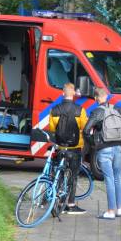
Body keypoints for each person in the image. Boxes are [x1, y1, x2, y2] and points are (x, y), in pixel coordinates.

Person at [84, 87, 121, 219]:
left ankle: (110, 211)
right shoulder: (118, 109)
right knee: (117, 177)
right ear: (106, 97)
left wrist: (94, 143)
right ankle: (119, 209)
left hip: (104, 149)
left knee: (108, 179)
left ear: (96, 98)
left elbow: (86, 130)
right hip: (118, 148)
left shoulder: (97, 111)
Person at [48, 83, 88, 214]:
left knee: (59, 174)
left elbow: (52, 129)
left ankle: (58, 201)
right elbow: (84, 127)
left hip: (61, 147)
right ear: (74, 94)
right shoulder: (80, 110)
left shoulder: (54, 110)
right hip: (75, 147)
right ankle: (70, 204)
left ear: (62, 93)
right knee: (73, 176)